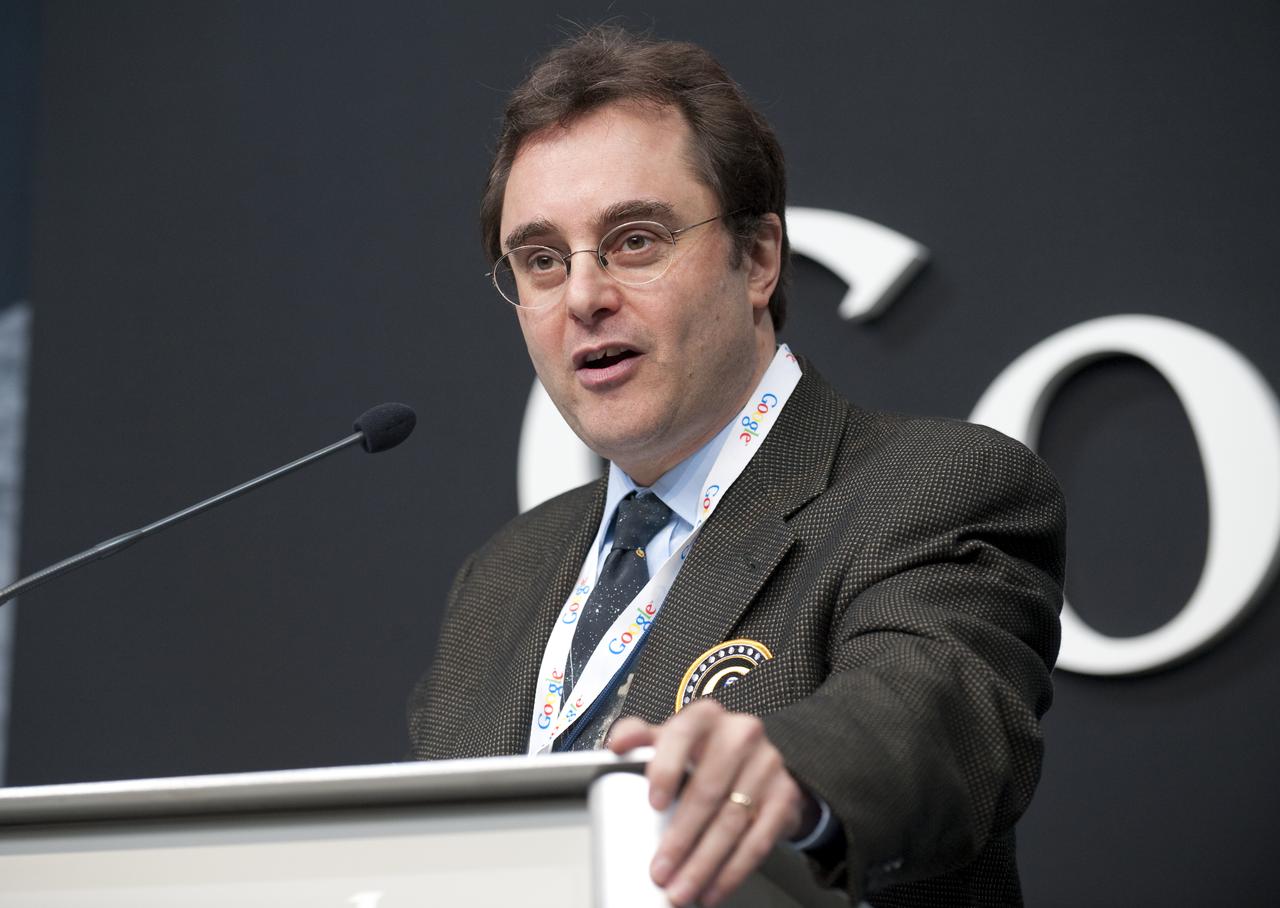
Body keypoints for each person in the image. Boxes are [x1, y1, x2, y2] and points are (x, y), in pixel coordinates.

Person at [408, 26, 1065, 907]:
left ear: (757, 258)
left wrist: (786, 776)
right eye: (541, 259)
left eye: (635, 240)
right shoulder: (500, 579)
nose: (584, 295)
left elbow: (933, 717)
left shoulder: (933, 489)